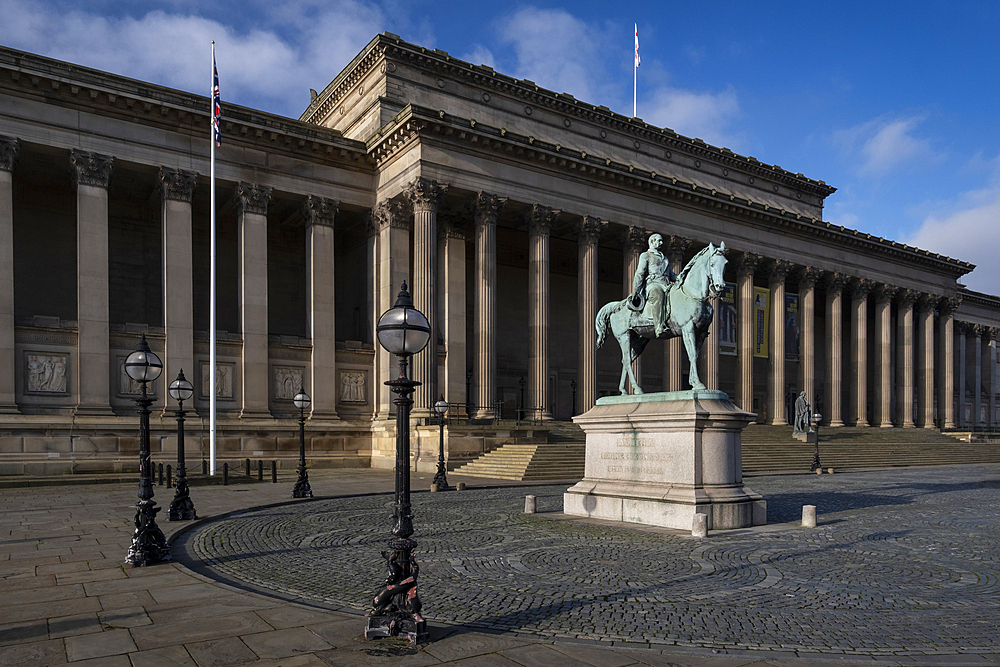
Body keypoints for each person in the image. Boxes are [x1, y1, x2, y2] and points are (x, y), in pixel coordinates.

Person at [629, 233, 676, 337]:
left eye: (661, 241)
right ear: (651, 241)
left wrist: (684, 277)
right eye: (659, 241)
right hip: (653, 284)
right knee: (657, 294)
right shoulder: (646, 255)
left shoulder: (665, 258)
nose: (661, 243)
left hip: (666, 285)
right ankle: (659, 326)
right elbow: (639, 273)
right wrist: (635, 291)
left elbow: (672, 276)